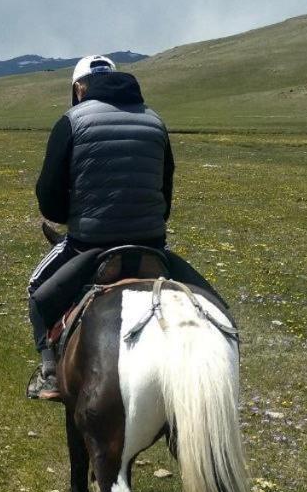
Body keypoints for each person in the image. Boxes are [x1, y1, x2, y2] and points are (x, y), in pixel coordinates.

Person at [26, 55, 224, 400]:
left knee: (38, 291)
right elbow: (166, 189)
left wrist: (71, 214)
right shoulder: (154, 120)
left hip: (89, 245)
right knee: (217, 309)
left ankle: (50, 373)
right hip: (150, 245)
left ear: (78, 89)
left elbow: (49, 199)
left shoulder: (71, 121)